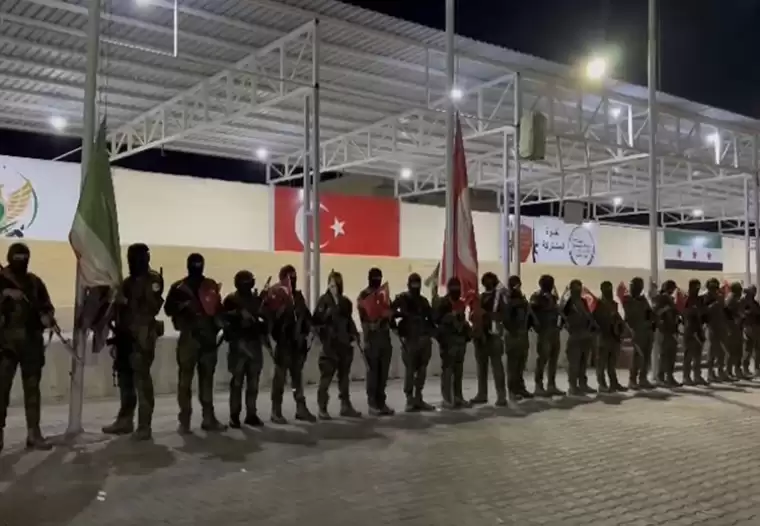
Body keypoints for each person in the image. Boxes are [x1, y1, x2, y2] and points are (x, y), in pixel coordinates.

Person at [102, 243, 164, 440]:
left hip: (142, 338)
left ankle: (144, 426)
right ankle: (125, 420)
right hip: (125, 337)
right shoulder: (127, 282)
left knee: (142, 381)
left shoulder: (153, 280)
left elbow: (152, 308)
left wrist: (126, 301)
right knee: (125, 381)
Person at [164, 253, 227, 434]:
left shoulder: (210, 286)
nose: (197, 267)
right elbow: (168, 309)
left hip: (207, 338)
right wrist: (183, 306)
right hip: (189, 338)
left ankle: (208, 418)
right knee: (185, 381)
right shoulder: (179, 288)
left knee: (206, 380)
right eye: (194, 264)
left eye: (199, 264)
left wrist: (219, 323)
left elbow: (218, 309)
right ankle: (185, 420)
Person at [0, 243, 55, 452]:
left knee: (32, 391)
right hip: (5, 345)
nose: (21, 262)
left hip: (31, 344)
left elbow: (47, 306)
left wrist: (46, 317)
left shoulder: (34, 282)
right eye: (17, 258)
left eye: (24, 258)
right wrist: (5, 294)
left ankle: (34, 433)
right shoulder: (2, 280)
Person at [262, 265, 316, 424]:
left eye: (294, 277)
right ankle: (276, 410)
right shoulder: (276, 297)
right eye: (289, 277)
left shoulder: (298, 297)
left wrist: (307, 330)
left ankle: (300, 407)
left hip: (297, 344)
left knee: (296, 379)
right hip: (283, 343)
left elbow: (306, 316)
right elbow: (268, 318)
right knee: (279, 379)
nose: (292, 280)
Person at [313, 271, 362, 419]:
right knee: (326, 378)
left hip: (343, 344)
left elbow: (349, 321)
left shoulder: (345, 302)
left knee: (344, 377)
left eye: (336, 285)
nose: (333, 288)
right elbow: (316, 322)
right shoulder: (324, 301)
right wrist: (325, 329)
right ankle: (322, 408)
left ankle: (345, 406)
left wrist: (354, 334)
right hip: (329, 346)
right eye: (331, 285)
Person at [222, 270, 267, 428]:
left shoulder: (256, 301)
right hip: (239, 345)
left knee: (253, 383)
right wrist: (239, 317)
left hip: (253, 344)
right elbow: (225, 321)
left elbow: (264, 320)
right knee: (237, 383)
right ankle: (235, 415)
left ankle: (251, 414)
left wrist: (260, 323)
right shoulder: (231, 301)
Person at [391, 272, 436, 412]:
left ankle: (418, 397)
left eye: (418, 283)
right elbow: (390, 312)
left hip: (423, 339)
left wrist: (431, 333)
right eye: (413, 283)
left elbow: (431, 319)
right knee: (410, 370)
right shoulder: (403, 299)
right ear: (409, 284)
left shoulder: (423, 301)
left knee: (422, 370)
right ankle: (410, 399)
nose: (416, 286)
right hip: (410, 339)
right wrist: (395, 326)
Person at [357, 267, 395, 416]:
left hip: (385, 338)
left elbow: (390, 311)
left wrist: (390, 315)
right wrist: (374, 323)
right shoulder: (364, 296)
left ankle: (381, 402)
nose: (377, 280)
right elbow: (364, 319)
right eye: (375, 278)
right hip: (372, 339)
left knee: (383, 374)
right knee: (373, 373)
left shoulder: (383, 295)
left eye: (379, 277)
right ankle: (372, 403)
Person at [469, 272, 507, 406]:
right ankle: (482, 394)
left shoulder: (500, 296)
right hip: (481, 335)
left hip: (493, 334)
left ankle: (501, 396)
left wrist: (487, 315)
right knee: (482, 367)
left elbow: (504, 314)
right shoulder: (481, 297)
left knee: (497, 366)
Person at [433, 277, 472, 409]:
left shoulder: (461, 303)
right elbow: (436, 320)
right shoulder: (443, 303)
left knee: (458, 371)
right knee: (447, 371)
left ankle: (458, 396)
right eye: (454, 288)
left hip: (460, 341)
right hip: (448, 341)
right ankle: (447, 398)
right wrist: (450, 317)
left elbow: (463, 320)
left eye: (458, 288)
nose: (456, 290)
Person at [530, 274, 564, 397]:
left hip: (554, 330)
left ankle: (551, 385)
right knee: (543, 359)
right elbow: (531, 312)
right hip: (544, 331)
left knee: (553, 359)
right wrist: (536, 326)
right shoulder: (537, 297)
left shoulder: (553, 297)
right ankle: (538, 386)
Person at [501, 275, 533, 400]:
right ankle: (512, 391)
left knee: (520, 364)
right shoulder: (508, 300)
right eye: (515, 285)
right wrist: (514, 332)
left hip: (522, 335)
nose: (517, 287)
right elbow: (506, 320)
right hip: (513, 336)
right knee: (513, 365)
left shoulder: (522, 300)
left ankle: (520, 388)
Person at [562, 279, 596, 396]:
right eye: (575, 288)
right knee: (574, 363)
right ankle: (573, 386)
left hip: (585, 333)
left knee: (583, 362)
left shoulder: (583, 301)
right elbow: (562, 314)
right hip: (575, 334)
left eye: (579, 288)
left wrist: (591, 325)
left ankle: (583, 384)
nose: (578, 290)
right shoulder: (568, 302)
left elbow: (588, 315)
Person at [593, 281, 627, 393]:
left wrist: (620, 326)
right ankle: (602, 384)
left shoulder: (613, 304)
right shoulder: (598, 304)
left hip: (614, 337)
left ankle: (614, 383)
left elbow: (618, 318)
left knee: (612, 364)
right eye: (607, 289)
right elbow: (596, 320)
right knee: (601, 364)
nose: (609, 291)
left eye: (610, 288)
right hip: (603, 337)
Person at [622, 277, 655, 390]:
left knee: (646, 357)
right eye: (634, 286)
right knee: (637, 357)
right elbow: (630, 316)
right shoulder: (628, 300)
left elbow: (649, 313)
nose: (637, 288)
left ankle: (643, 378)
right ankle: (632, 380)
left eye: (639, 286)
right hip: (637, 332)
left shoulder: (643, 300)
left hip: (647, 331)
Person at [654, 280, 681, 387]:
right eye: (672, 288)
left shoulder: (670, 299)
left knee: (671, 355)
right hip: (664, 330)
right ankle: (662, 377)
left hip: (672, 330)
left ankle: (669, 377)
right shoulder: (661, 298)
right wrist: (666, 309)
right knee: (665, 355)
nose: (673, 291)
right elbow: (656, 313)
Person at [682, 279, 707, 386]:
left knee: (698, 355)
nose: (697, 290)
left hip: (699, 329)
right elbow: (686, 314)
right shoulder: (687, 299)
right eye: (695, 287)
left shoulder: (699, 300)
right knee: (688, 356)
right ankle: (686, 377)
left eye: (698, 287)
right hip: (690, 330)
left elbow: (703, 313)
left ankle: (697, 376)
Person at [704, 278, 729, 383]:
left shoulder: (720, 296)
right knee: (712, 351)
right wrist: (714, 304)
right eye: (712, 287)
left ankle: (720, 371)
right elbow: (704, 311)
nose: (714, 289)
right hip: (711, 326)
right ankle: (710, 373)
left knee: (722, 352)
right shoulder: (705, 297)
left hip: (721, 326)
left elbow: (724, 311)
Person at [724, 282, 744, 380]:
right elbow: (727, 313)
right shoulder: (731, 299)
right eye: (740, 289)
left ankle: (736, 370)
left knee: (738, 351)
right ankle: (728, 372)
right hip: (731, 328)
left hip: (736, 328)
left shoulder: (736, 299)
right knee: (731, 351)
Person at [742, 285, 760, 377]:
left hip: (755, 327)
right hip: (748, 327)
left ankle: (756, 368)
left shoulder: (754, 303)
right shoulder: (745, 303)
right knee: (748, 349)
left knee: (756, 349)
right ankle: (746, 369)